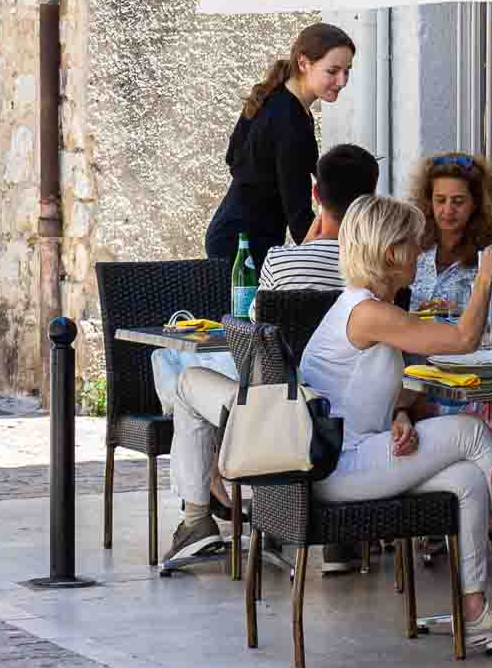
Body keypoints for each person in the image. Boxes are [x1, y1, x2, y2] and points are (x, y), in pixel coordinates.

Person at [298, 197, 492, 645]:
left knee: (468, 479)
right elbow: (463, 339)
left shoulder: (366, 307)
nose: (421, 252)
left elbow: (368, 387)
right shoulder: (366, 312)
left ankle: (475, 610)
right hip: (338, 467)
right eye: (413, 244)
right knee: (471, 432)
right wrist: (485, 278)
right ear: (391, 252)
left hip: (359, 451)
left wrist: (398, 414)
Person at [158, 144, 383, 570]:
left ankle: (197, 518)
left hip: (281, 415)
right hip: (350, 419)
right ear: (371, 198)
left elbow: (255, 338)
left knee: (186, 383)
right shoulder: (377, 272)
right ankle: (338, 543)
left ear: (316, 196)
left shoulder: (281, 262)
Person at [204, 22, 355, 275]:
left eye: (347, 71)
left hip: (231, 230)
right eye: (333, 71)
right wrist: (343, 263)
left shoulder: (278, 98)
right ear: (304, 63)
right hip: (245, 246)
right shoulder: (290, 121)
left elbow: (233, 158)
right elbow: (299, 221)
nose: (342, 81)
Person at [407, 152, 492, 317]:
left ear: (476, 204)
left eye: (458, 201)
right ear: (428, 201)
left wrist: (457, 312)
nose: (448, 210)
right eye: (440, 200)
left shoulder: (488, 258)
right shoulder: (409, 247)